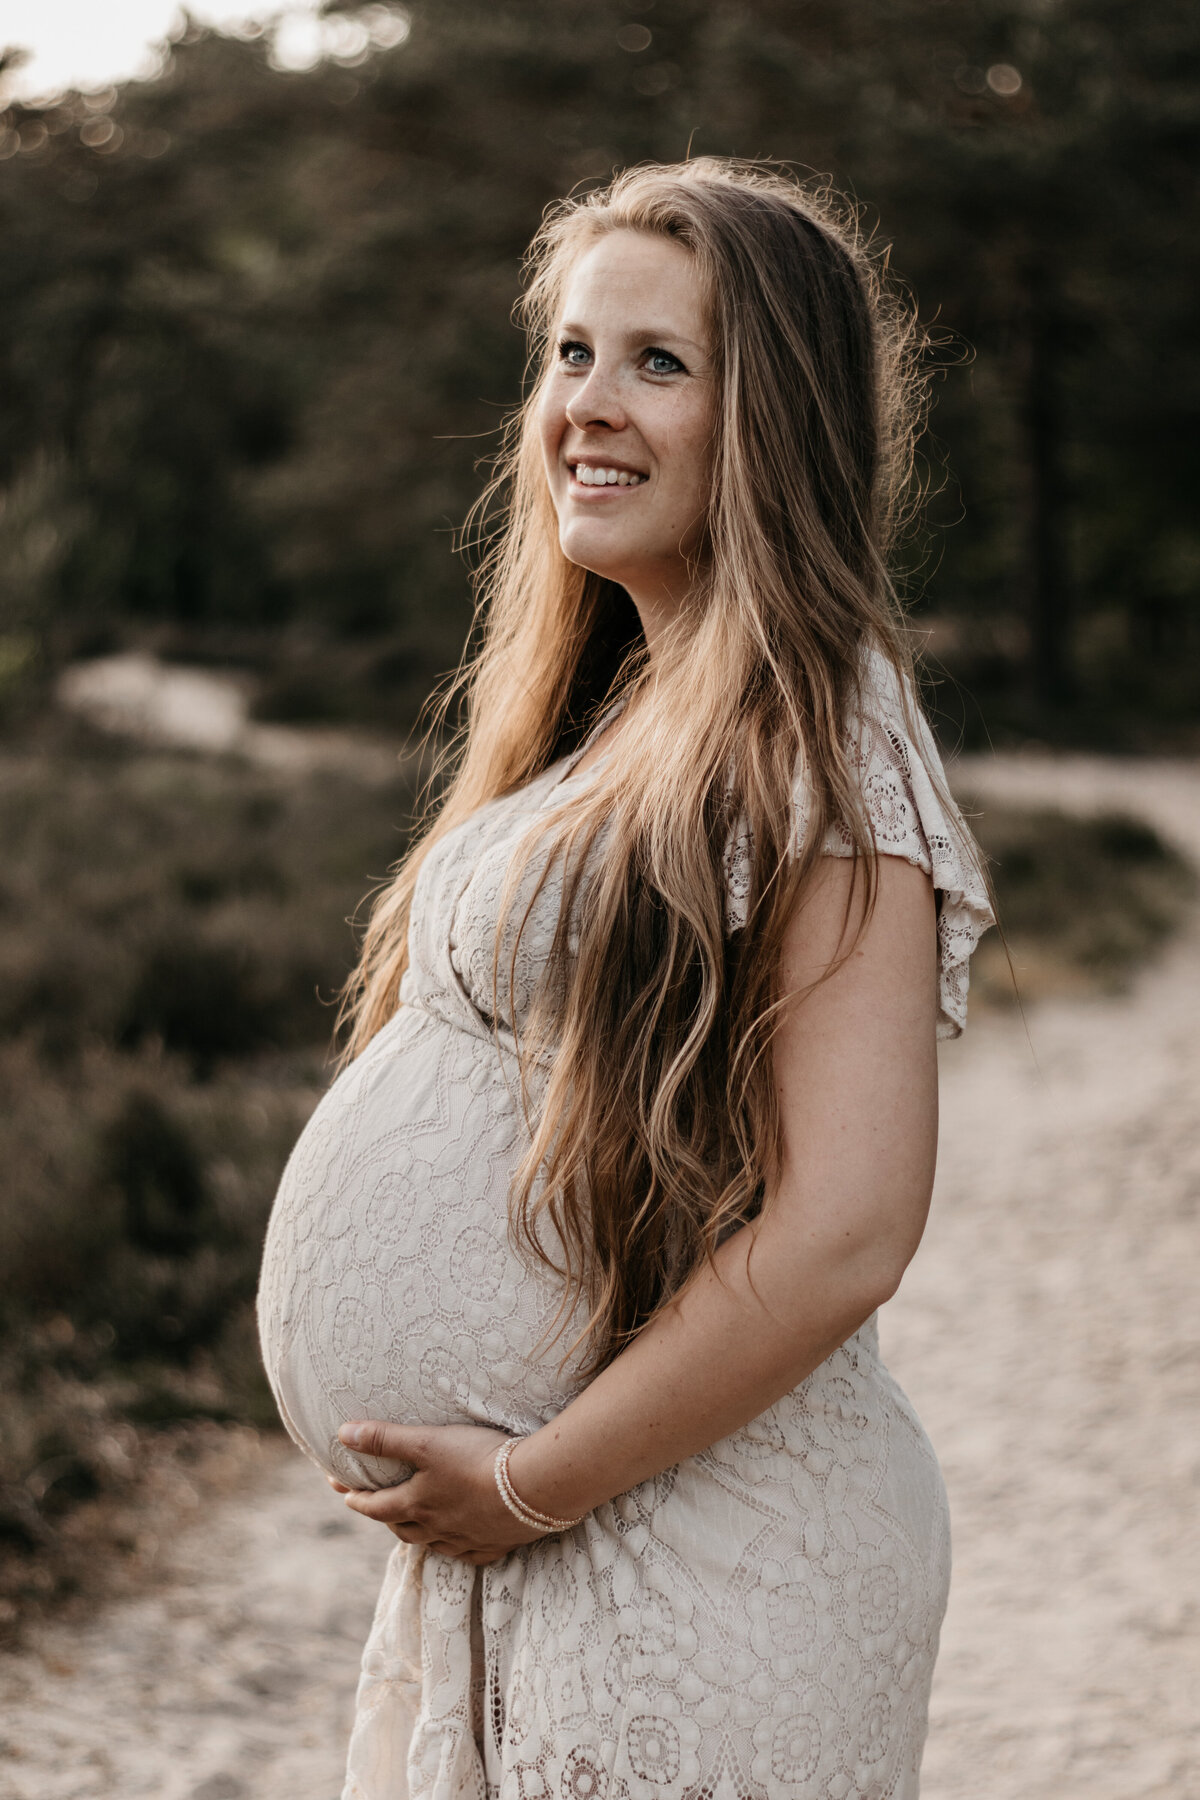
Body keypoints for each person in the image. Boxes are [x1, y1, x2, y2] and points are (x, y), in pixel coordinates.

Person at [257, 157, 995, 1800]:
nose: (589, 405)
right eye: (573, 353)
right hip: (558, 1539)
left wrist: (534, 1481)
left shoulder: (828, 732)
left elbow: (850, 1226)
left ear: (777, 423)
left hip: (704, 1550)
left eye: (660, 362)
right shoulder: (612, 715)